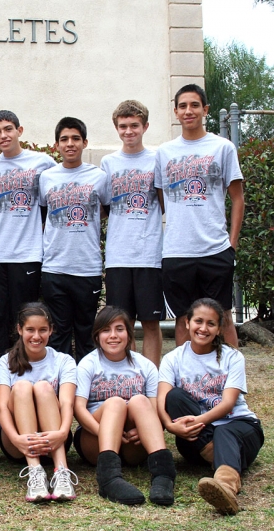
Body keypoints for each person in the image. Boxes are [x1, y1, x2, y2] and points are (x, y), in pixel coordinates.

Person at [155, 83, 244, 348]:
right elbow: (163, 199)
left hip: (215, 249)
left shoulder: (223, 147)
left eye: (194, 105)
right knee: (184, 319)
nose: (188, 111)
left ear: (205, 109)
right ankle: (186, 382)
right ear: (175, 111)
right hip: (177, 251)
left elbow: (238, 198)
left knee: (223, 317)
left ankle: (233, 382)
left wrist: (232, 244)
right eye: (183, 106)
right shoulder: (165, 152)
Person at [157, 298, 264, 515]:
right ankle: (224, 458)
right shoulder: (173, 359)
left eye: (211, 324)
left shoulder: (232, 356)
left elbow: (228, 404)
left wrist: (198, 421)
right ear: (187, 323)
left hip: (241, 428)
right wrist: (170, 426)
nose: (203, 328)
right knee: (175, 396)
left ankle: (226, 487)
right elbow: (162, 399)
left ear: (219, 329)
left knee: (224, 429)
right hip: (195, 440)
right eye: (198, 321)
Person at [73, 306, 176, 506]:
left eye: (119, 329)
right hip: (94, 441)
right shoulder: (88, 364)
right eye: (106, 330)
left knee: (139, 400)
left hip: (132, 444)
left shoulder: (145, 365)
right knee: (116, 403)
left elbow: (155, 408)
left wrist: (140, 430)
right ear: (97, 336)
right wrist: (103, 431)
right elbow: (79, 408)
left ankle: (163, 475)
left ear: (129, 335)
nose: (113, 336)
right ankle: (108, 479)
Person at [0, 110, 56, 355]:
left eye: (8, 129)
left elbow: (58, 188)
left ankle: (21, 371)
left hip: (26, 253)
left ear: (19, 131)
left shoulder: (42, 162)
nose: (4, 135)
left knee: (22, 319)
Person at [39, 117, 109, 361]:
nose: (70, 144)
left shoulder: (99, 177)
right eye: (64, 139)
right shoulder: (47, 177)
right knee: (57, 335)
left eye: (76, 139)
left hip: (86, 268)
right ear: (56, 144)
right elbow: (41, 216)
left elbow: (108, 211)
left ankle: (84, 393)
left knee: (86, 334)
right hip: (54, 268)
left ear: (85, 142)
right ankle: (58, 392)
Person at [0, 302, 78, 503]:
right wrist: (15, 439)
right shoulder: (5, 362)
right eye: (30, 329)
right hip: (18, 444)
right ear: (19, 329)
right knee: (22, 386)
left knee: (43, 387)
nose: (36, 336)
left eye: (43, 330)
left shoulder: (63, 361)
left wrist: (63, 433)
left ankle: (61, 471)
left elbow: (67, 403)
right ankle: (35, 472)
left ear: (51, 330)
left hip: (54, 441)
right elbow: (1, 407)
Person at [101, 101, 164, 367]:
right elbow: (103, 206)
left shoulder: (157, 159)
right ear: (117, 128)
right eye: (123, 126)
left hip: (149, 255)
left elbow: (164, 202)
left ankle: (152, 378)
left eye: (134, 125)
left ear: (145, 127)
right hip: (118, 255)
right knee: (121, 323)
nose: (129, 131)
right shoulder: (108, 162)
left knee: (150, 322)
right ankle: (128, 376)